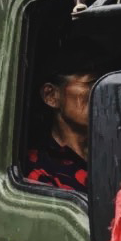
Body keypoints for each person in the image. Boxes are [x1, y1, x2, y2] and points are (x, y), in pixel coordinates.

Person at [24, 39, 104, 194]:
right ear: (51, 95)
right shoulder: (38, 170)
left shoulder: (118, 149)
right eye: (92, 84)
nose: (102, 92)